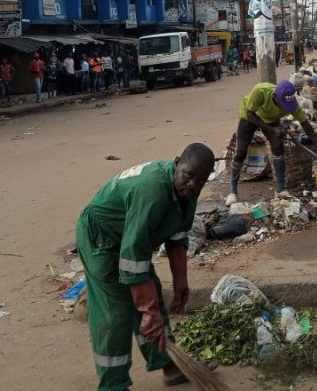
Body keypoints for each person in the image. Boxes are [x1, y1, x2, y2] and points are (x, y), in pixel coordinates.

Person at [76, 144, 215, 391]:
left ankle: (170, 364)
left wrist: (181, 281)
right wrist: (147, 309)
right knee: (115, 309)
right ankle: (113, 385)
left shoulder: (187, 194)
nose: (193, 184)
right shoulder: (152, 191)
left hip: (128, 240)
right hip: (102, 238)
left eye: (200, 181)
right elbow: (133, 255)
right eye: (189, 175)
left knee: (152, 299)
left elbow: (176, 239)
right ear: (176, 163)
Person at [225, 80, 317, 206]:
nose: (285, 108)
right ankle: (233, 192)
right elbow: (249, 113)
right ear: (275, 96)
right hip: (250, 117)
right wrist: (271, 130)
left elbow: (305, 124)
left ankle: (281, 189)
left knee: (278, 147)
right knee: (241, 151)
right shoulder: (260, 91)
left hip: (272, 120)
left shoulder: (292, 104)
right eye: (283, 104)